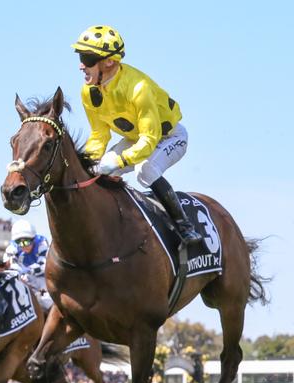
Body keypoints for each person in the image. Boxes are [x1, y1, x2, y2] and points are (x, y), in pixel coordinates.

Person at [71, 25, 202, 245]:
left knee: (145, 170)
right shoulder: (89, 91)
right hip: (135, 139)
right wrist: (91, 162)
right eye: (80, 57)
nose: (81, 65)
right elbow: (98, 135)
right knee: (95, 173)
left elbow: (150, 140)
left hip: (169, 137)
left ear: (109, 62)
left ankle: (184, 226)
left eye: (87, 58)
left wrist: (121, 160)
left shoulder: (138, 88)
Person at [3, 220, 53, 311]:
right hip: (25, 276)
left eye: (26, 242)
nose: (23, 246)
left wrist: (26, 270)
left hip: (41, 278)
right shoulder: (13, 246)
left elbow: (43, 266)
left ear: (33, 239)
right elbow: (9, 263)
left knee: (47, 301)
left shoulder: (42, 243)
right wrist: (19, 272)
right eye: (19, 242)